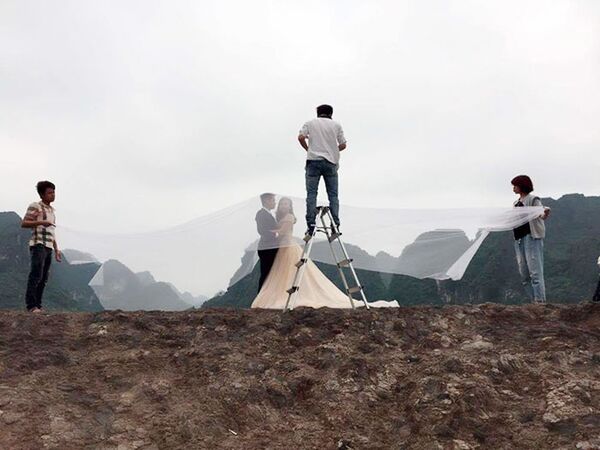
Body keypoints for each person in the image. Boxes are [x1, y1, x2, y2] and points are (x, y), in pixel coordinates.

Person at [251, 197, 399, 309]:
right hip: (282, 249)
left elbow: (282, 232)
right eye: (281, 204)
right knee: (281, 274)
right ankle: (279, 295)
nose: (283, 206)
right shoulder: (278, 217)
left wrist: (270, 232)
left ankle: (287, 296)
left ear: (290, 207)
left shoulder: (288, 217)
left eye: (286, 204)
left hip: (288, 247)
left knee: (289, 272)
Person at [298, 104, 347, 238]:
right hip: (331, 162)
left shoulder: (310, 123)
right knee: (333, 195)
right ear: (331, 113)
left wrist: (308, 149)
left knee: (312, 193)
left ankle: (311, 224)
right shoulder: (336, 125)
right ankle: (335, 225)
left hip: (313, 161)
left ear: (317, 113)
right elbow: (343, 144)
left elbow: (301, 137)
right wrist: (332, 150)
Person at [21, 181, 62, 312]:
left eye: (53, 192)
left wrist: (56, 249)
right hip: (38, 244)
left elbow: (52, 232)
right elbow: (24, 223)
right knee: (36, 274)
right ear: (42, 194)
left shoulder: (52, 211)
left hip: (49, 246)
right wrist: (41, 222)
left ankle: (38, 305)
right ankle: (31, 305)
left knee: (44, 277)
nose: (53, 195)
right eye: (49, 193)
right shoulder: (36, 206)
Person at [511, 175, 550, 304]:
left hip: (531, 238)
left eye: (515, 185)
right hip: (519, 239)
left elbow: (541, 214)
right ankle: (533, 300)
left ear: (522, 185)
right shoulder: (515, 203)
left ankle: (540, 301)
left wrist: (545, 212)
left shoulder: (533, 199)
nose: (513, 188)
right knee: (524, 274)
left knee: (535, 272)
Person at [255, 193, 279, 292]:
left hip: (271, 247)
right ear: (266, 201)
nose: (275, 203)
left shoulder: (268, 213)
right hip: (266, 249)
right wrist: (276, 233)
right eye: (273, 200)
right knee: (266, 273)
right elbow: (262, 231)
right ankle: (261, 296)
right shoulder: (261, 214)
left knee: (271, 273)